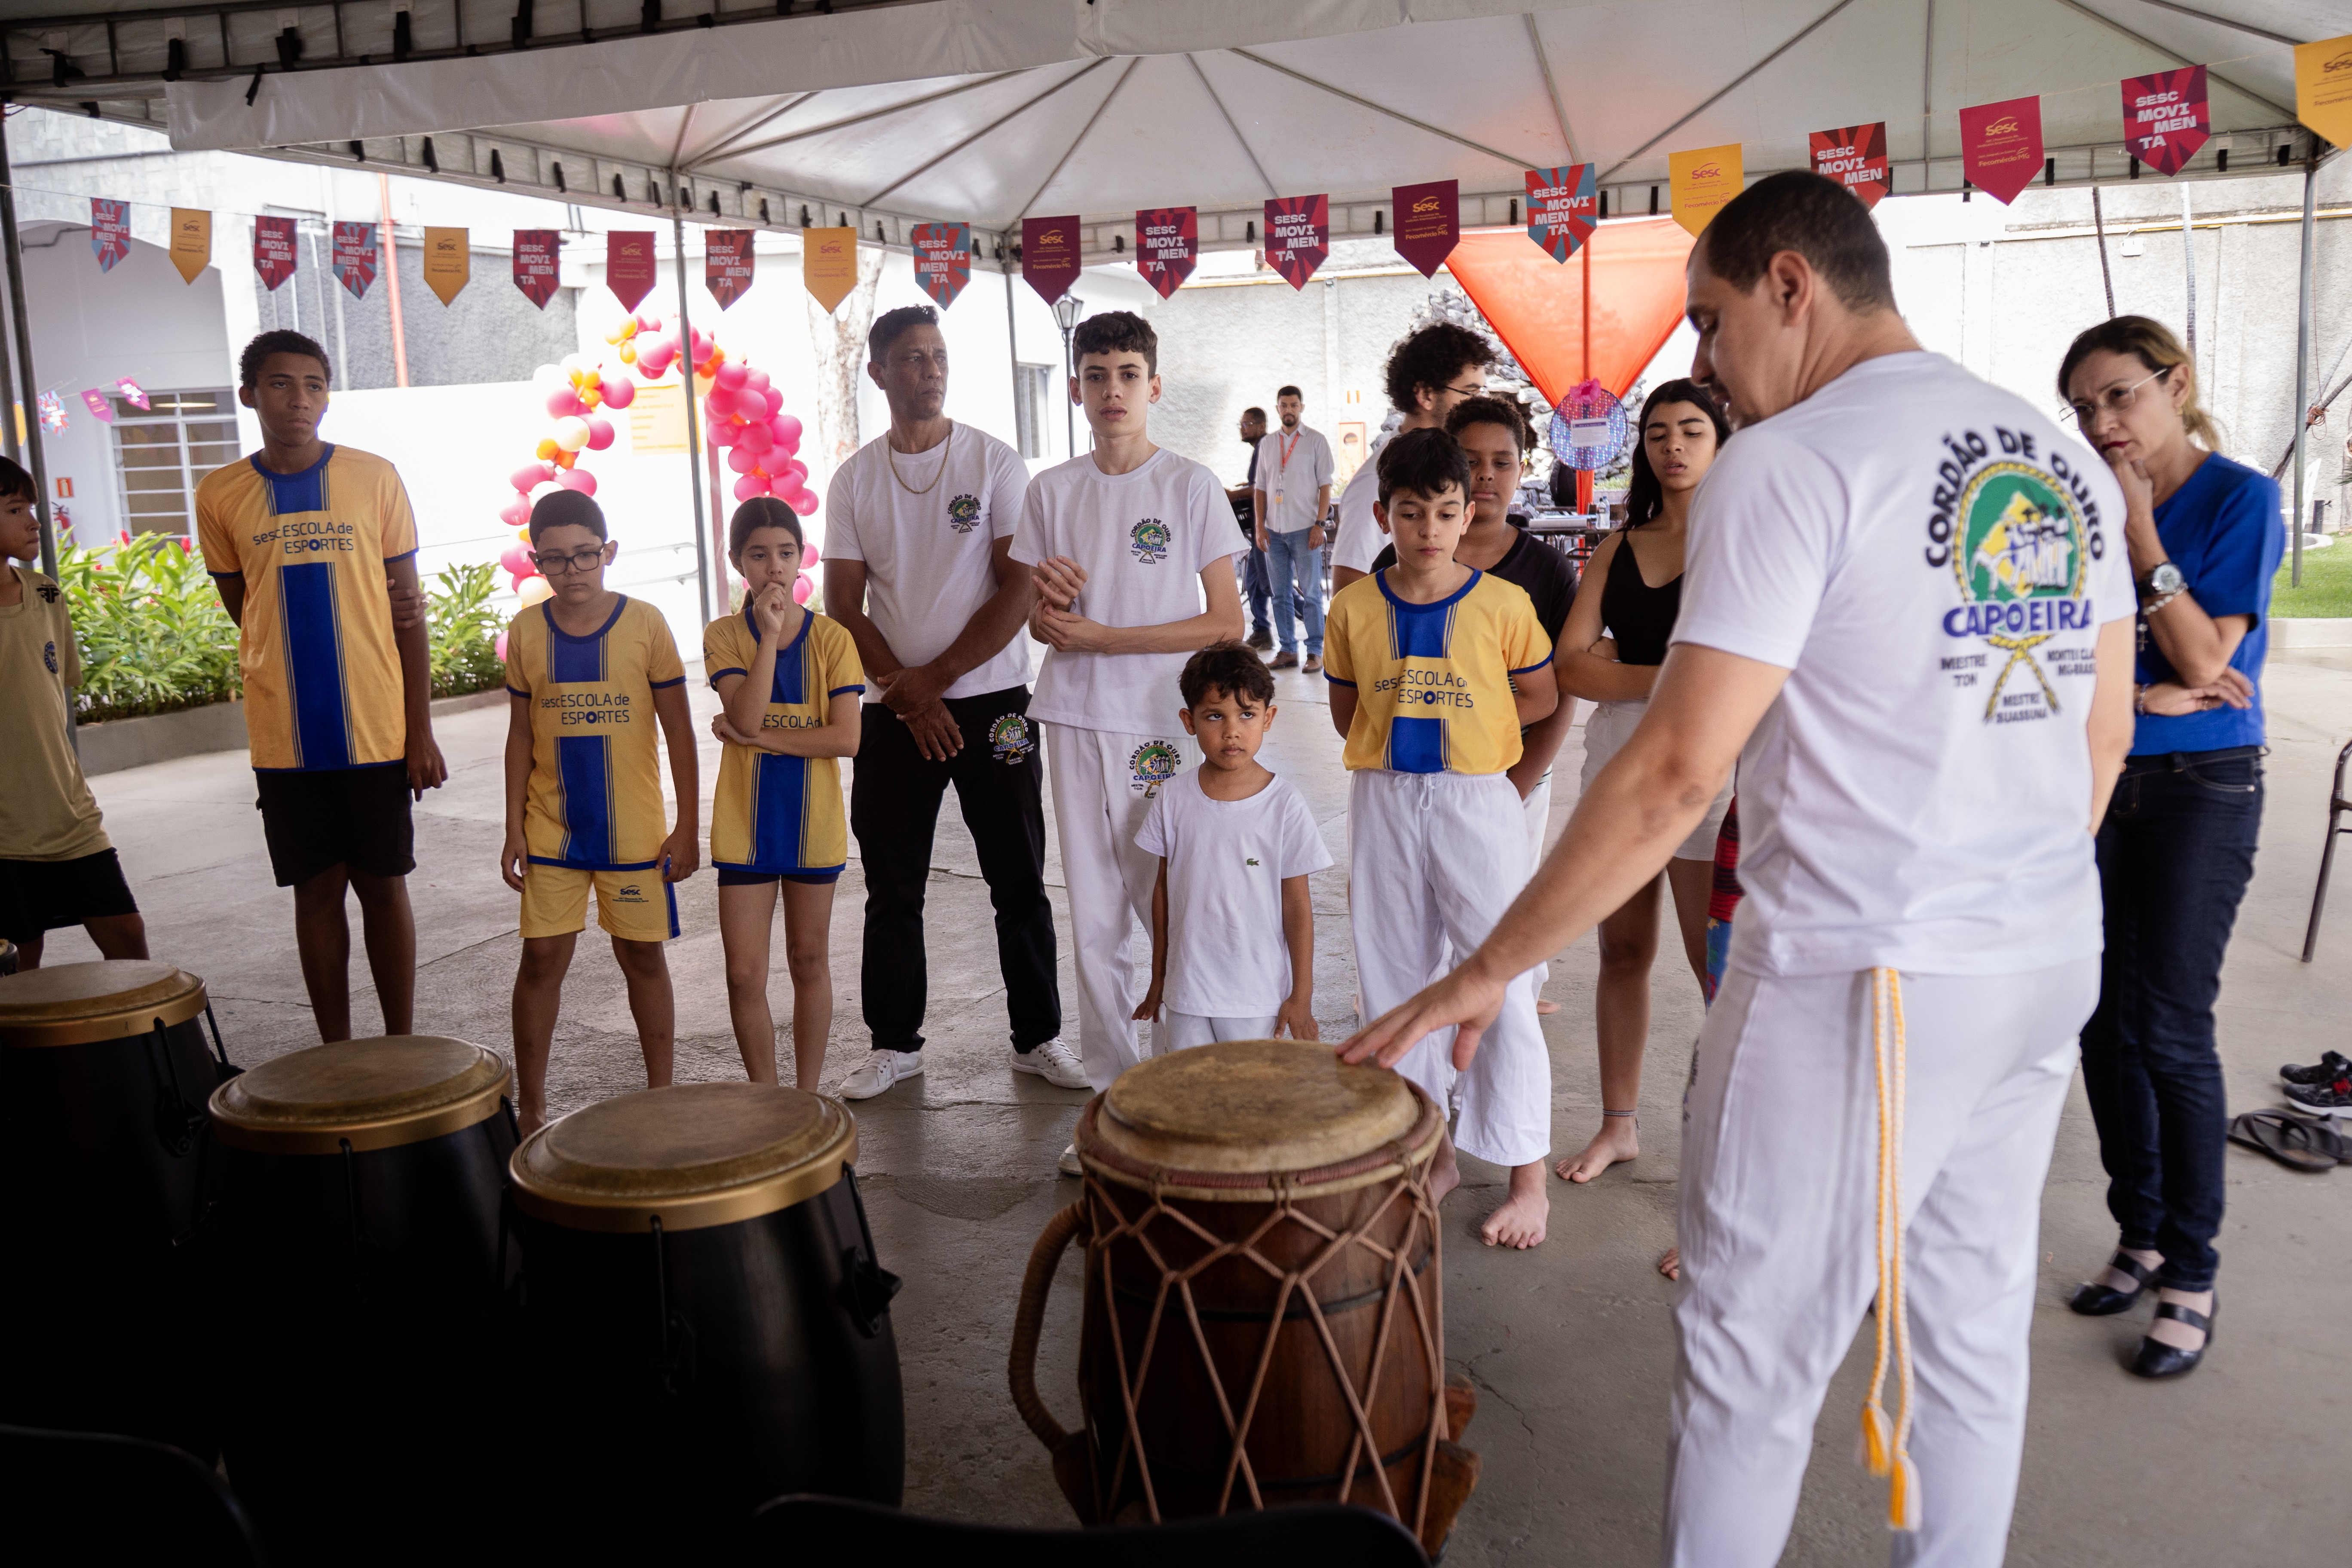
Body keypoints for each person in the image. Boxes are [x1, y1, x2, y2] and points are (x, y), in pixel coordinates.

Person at [1341, 171, 2136, 1563]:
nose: (1703, 362)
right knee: (1960, 1327)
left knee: (1747, 1348)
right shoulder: (2051, 452)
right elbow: (2102, 731)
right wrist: (2001, 898)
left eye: (1709, 320)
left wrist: (1488, 966)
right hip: (2040, 957)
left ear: (1790, 283)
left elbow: (1674, 770)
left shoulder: (1791, 461)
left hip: (1859, 971)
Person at [2059, 315, 2281, 1379]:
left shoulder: (2240, 498)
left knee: (2169, 1026)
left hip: (2204, 783)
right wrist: (2140, 693)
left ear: (2174, 384)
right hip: (2103, 775)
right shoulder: (2077, 507)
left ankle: (2191, 1270)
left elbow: (2202, 657)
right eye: (2083, 408)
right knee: (2100, 1021)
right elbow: (2066, 648)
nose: (2102, 422)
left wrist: (2142, 531)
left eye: (2120, 396)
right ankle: (2139, 1232)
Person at [822, 305, 1083, 1100]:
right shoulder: (856, 479)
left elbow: (1018, 587)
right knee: (892, 885)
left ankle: (1037, 1037)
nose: (930, 370)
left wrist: (932, 680)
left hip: (996, 704)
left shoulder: (993, 461)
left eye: (937, 356)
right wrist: (909, 696)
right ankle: (893, 1044)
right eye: (912, 358)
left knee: (1019, 877)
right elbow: (842, 603)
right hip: (893, 714)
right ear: (878, 372)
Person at [1013, 310, 1246, 1173]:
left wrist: (1109, 638)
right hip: (1075, 719)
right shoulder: (1051, 492)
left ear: (1154, 385)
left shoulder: (1189, 485)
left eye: (1127, 374)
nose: (1112, 390)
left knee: (1171, 906)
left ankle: (1186, 1092)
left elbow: (1226, 621)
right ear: (1076, 388)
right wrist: (1050, 617)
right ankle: (1113, 1101)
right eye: (1096, 375)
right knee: (1095, 916)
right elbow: (1041, 622)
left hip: (1161, 726)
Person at [1326, 428, 1557, 1250]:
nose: (1429, 528)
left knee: (1503, 976)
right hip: (1383, 798)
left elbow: (1539, 696)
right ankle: (1429, 1153)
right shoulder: (1354, 608)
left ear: (1469, 513)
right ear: (1383, 515)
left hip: (1476, 802)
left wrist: (1474, 727)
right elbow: (1346, 712)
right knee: (1393, 979)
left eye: (1445, 511)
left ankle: (1528, 1178)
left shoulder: (1504, 604)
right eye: (1411, 512)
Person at [197, 331, 445, 1042]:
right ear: (250, 394)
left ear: (328, 396)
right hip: (284, 737)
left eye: (313, 384)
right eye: (280, 384)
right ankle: (336, 1051)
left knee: (384, 885)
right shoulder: (220, 493)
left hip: (374, 729)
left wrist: (420, 731)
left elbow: (407, 615)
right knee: (316, 891)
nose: (299, 399)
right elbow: (246, 606)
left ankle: (401, 1044)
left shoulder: (375, 477)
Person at [1551, 381, 1736, 1183]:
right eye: (1658, 433)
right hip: (1621, 768)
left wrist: (1623, 667)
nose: (1674, 446)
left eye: (1692, 430)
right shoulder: (1619, 547)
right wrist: (1675, 677)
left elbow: (1747, 673)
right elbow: (1569, 665)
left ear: (1720, 442)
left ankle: (1728, 1156)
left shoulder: (1744, 541)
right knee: (1621, 949)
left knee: (1715, 966)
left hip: (1714, 772)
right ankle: (1617, 1126)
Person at [499, 490, 699, 1139]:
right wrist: (512, 828)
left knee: (642, 957)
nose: (572, 570)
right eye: (555, 559)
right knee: (541, 960)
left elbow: (680, 731)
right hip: (552, 829)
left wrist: (686, 826)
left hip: (633, 833)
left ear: (608, 552)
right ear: (537, 562)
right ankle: (531, 1108)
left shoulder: (646, 624)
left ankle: (662, 1097)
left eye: (585, 554)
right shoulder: (527, 633)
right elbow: (520, 735)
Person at [1366, 396, 1578, 1010]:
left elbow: (1558, 694)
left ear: (1522, 469)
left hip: (1512, 774)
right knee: (1414, 926)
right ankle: (1422, 1026)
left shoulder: (1545, 572)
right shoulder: (1395, 563)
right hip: (1411, 781)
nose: (1486, 475)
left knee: (1500, 923)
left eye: (1502, 462)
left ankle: (1508, 1013)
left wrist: (1516, 783)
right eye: (1471, 460)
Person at [706, 499, 863, 1092]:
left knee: (808, 960)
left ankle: (807, 1098)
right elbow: (745, 712)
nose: (774, 567)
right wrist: (769, 637)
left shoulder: (834, 639)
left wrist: (757, 738)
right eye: (758, 555)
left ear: (803, 558)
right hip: (745, 828)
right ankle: (768, 1101)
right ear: (736, 562)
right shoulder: (724, 635)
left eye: (786, 553)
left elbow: (846, 739)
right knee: (744, 975)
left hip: (812, 827)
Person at [1133, 643, 1331, 1047]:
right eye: (1214, 716)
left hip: (1257, 997)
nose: (1231, 731)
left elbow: (1297, 903)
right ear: (1189, 721)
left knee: (1252, 1088)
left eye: (1247, 714)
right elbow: (1163, 891)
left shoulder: (1284, 804)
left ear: (1268, 718)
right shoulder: (1173, 798)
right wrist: (1159, 979)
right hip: (1186, 992)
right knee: (1190, 1087)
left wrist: (1302, 995)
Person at [0, 456, 146, 968]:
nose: (33, 522)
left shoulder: (45, 592)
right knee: (20, 962)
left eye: (32, 508)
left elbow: (47, 694)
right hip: (5, 829)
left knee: (128, 938)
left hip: (70, 814)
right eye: (15, 510)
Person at [1328, 323, 1495, 595]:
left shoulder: (1453, 465)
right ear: (1427, 395)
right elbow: (1348, 595)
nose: (1479, 404)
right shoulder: (1376, 480)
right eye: (1470, 393)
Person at [1253, 385, 1336, 672]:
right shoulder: (1267, 444)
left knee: (1311, 594)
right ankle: (1288, 650)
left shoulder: (1316, 441)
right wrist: (1259, 527)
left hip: (1305, 529)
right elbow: (1260, 488)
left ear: (1301, 407)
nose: (1289, 410)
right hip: (1273, 532)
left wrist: (1319, 525)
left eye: (1294, 405)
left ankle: (1315, 652)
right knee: (1280, 595)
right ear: (1278, 409)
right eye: (1284, 406)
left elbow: (1326, 486)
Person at [1224, 406, 1274, 648]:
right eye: (1241, 425)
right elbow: (1257, 483)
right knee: (1254, 582)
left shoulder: (1265, 446)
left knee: (1271, 584)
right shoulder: (1260, 449)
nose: (1242, 429)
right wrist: (1245, 487)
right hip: (1258, 527)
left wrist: (1234, 495)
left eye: (1247, 425)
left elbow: (1264, 487)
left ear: (1261, 426)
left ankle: (1320, 622)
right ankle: (1261, 631)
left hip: (1266, 527)